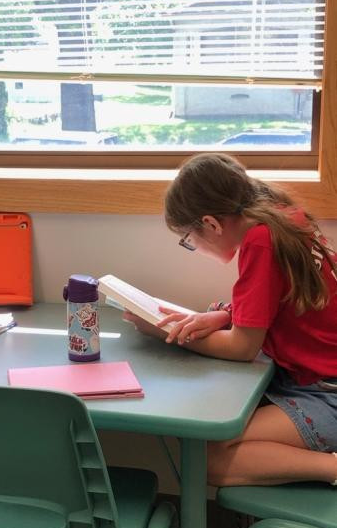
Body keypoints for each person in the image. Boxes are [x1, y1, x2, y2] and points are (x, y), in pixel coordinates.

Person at [125, 152, 337, 488]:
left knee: (205, 461)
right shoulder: (282, 217)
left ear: (210, 223)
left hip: (327, 392)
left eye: (189, 239)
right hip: (312, 378)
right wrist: (224, 314)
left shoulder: (261, 241)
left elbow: (242, 347)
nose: (194, 245)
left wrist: (162, 330)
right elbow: (283, 301)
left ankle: (333, 469)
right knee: (205, 445)